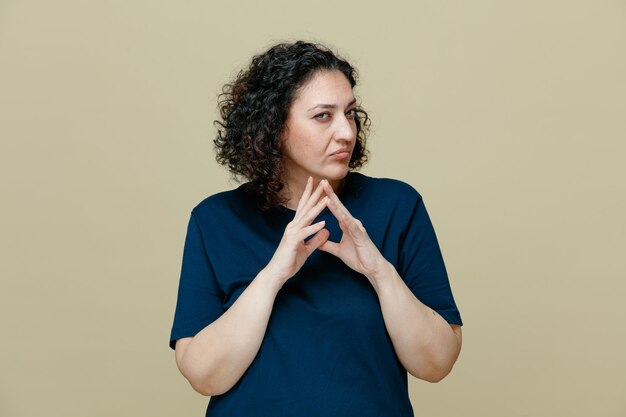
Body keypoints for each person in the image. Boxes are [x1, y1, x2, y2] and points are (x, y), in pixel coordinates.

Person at [169, 41, 463, 417]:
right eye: (323, 116)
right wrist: (275, 273)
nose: (345, 131)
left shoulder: (397, 207)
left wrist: (379, 271)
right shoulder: (215, 220)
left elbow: (436, 364)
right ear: (274, 127)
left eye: (351, 113)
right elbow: (204, 376)